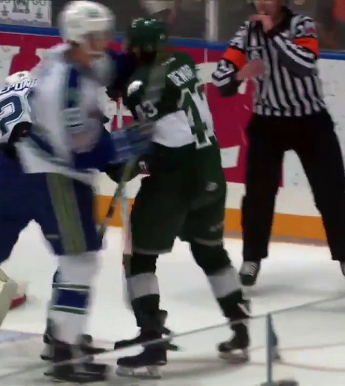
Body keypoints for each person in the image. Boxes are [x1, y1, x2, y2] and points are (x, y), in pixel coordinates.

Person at [0, 1, 148, 383]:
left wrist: (133, 57)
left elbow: (107, 67)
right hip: (52, 178)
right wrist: (126, 146)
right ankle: (64, 352)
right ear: (78, 38)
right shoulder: (61, 89)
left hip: (7, 171)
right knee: (79, 261)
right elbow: (81, 149)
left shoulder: (66, 60)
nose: (103, 42)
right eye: (96, 37)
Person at [111, 18, 251, 379]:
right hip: (210, 171)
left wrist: (133, 164)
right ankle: (240, 330)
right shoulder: (184, 61)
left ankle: (152, 345)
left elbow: (167, 148)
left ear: (138, 48)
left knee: (138, 260)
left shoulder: (141, 87)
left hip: (177, 179)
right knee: (210, 251)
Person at [213, 0, 345, 287]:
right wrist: (240, 75)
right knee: (258, 196)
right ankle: (252, 258)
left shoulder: (302, 25)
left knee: (332, 192)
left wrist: (272, 34)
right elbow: (220, 79)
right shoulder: (247, 32)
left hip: (310, 121)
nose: (262, 2)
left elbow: (305, 63)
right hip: (268, 123)